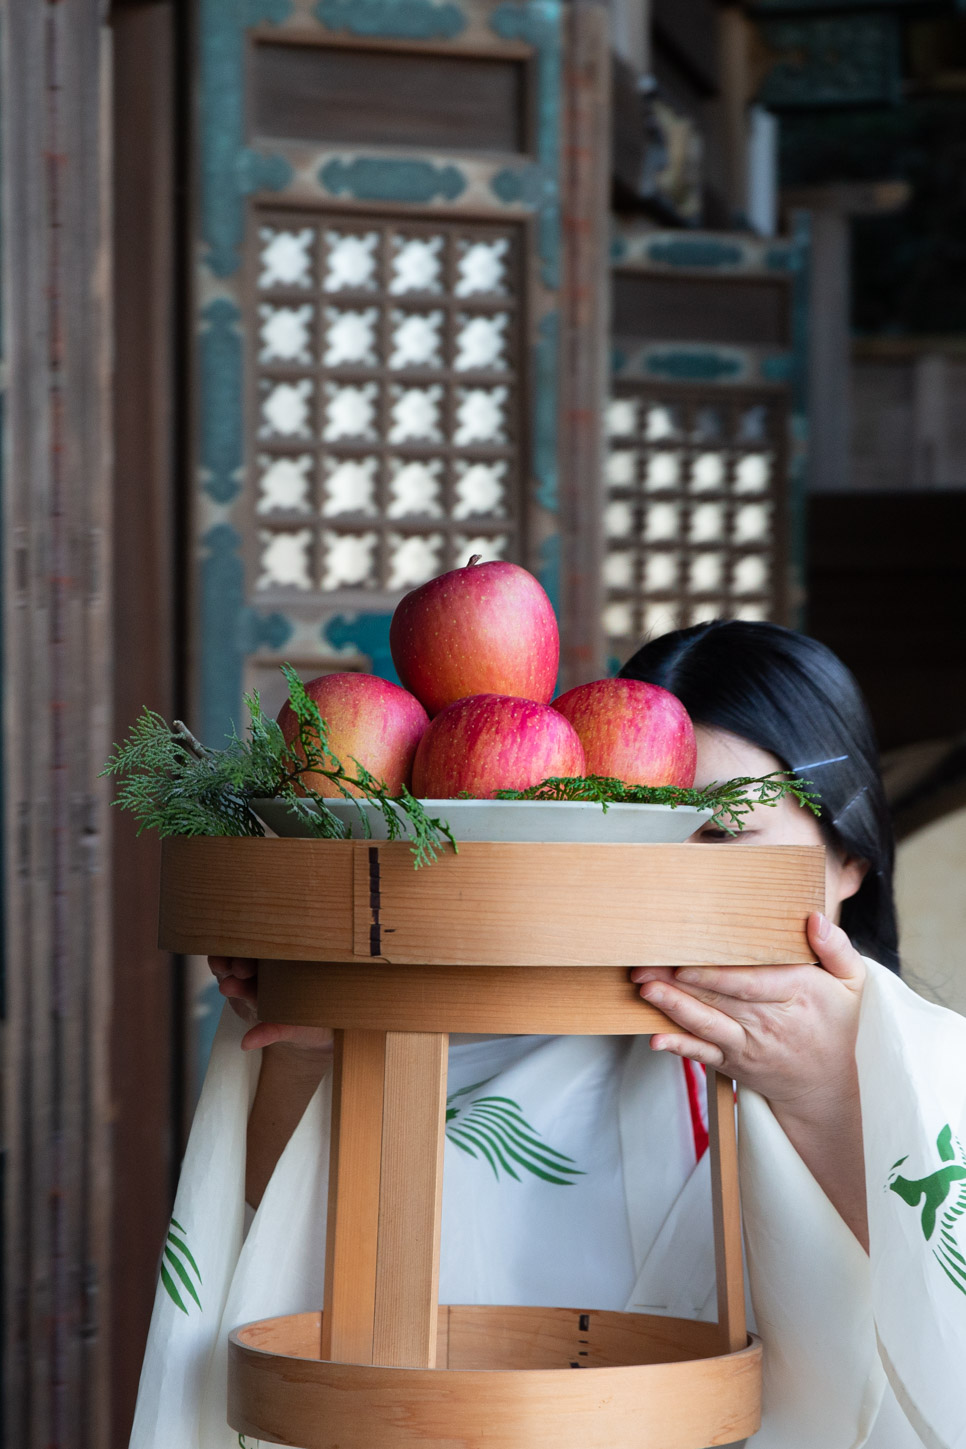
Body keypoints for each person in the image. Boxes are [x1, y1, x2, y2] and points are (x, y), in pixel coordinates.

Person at [130, 621, 966, 1449]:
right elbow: (288, 1257)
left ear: (849, 855)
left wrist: (825, 1091)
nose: (681, 876)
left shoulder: (937, 1067)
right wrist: (315, 1054)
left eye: (723, 832)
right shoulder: (479, 1043)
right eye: (647, 834)